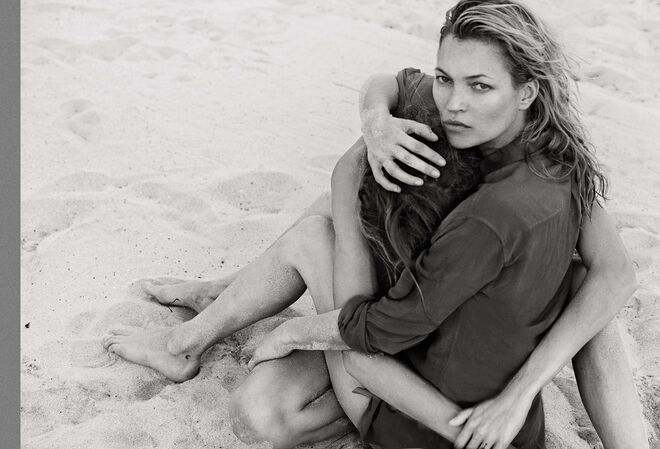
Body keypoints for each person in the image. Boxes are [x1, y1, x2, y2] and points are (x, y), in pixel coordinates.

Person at [102, 1, 648, 447]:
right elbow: (390, 82)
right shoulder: (475, 123)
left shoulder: (521, 187)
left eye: (480, 86)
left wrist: (520, 392)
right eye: (445, 79)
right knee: (344, 203)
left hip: (422, 334)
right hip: (435, 311)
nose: (454, 103)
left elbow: (613, 275)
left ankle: (196, 333)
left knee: (329, 221)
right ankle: (223, 296)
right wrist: (376, 123)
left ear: (526, 91)